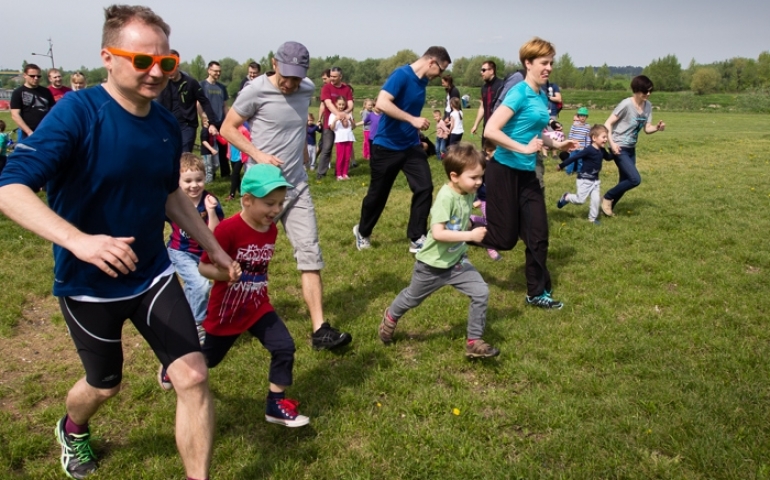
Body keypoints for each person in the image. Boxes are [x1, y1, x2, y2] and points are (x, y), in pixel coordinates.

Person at [0, 5, 241, 480]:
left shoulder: (166, 125)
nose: (156, 72)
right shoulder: (77, 113)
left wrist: (210, 243)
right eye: (142, 60)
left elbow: (169, 192)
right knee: (104, 385)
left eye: (166, 63)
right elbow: (10, 188)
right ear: (107, 58)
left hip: (152, 272)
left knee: (192, 375)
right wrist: (80, 241)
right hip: (88, 282)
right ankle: (72, 427)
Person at [220, 41, 352, 351]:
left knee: (310, 252)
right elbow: (228, 128)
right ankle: (222, 320)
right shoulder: (255, 90)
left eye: (297, 77)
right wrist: (257, 153)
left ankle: (320, 330)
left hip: (296, 187)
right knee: (243, 260)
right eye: (286, 76)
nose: (291, 83)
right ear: (274, 63)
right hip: (262, 189)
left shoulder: (306, 87)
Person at [160, 164, 310, 428]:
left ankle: (275, 404)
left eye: (279, 203)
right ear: (247, 200)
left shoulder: (271, 229)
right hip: (227, 311)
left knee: (284, 346)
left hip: (257, 305)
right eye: (269, 203)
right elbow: (203, 266)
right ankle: (174, 365)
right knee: (207, 362)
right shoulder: (227, 230)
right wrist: (226, 274)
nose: (275, 210)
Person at [480, 37, 577, 310]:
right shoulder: (519, 92)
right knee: (504, 239)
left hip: (526, 175)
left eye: (551, 63)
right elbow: (491, 131)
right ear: (528, 63)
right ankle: (456, 235)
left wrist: (556, 143)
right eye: (543, 63)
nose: (549, 68)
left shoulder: (541, 95)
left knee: (538, 234)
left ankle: (535, 292)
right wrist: (523, 148)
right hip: (503, 171)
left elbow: (536, 132)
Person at [378, 142, 499, 358]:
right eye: (474, 178)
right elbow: (438, 234)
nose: (479, 182)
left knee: (481, 292)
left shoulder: (468, 191)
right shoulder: (446, 197)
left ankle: (474, 341)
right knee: (411, 299)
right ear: (454, 176)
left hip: (457, 262)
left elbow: (464, 217)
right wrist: (470, 236)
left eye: (481, 176)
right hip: (431, 266)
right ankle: (391, 317)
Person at [353, 46, 451, 254]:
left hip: (410, 146)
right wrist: (412, 119)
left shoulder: (423, 82)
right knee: (378, 195)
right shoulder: (401, 75)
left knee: (424, 187)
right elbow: (382, 103)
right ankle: (362, 231)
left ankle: (417, 237)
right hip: (386, 146)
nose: (440, 75)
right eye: (441, 70)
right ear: (431, 62)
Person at [167, 153, 224, 342]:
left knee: (195, 289)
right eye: (188, 181)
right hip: (180, 252)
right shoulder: (173, 202)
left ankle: (182, 318)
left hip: (203, 254)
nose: (194, 185)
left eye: (199, 180)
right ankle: (198, 324)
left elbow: (212, 236)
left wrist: (211, 212)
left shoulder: (210, 201)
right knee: (200, 285)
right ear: (179, 181)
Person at [601, 75, 666, 217]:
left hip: (631, 148)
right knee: (634, 179)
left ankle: (606, 209)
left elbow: (647, 129)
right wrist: (612, 144)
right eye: (645, 91)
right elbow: (608, 123)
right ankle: (607, 197)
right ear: (636, 90)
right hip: (619, 147)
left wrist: (657, 128)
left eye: (650, 91)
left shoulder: (648, 106)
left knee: (624, 181)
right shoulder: (626, 104)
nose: (648, 94)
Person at [157, 49, 219, 153]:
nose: (170, 72)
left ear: (177, 65)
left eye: (172, 67)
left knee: (184, 155)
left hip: (187, 126)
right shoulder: (163, 83)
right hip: (168, 124)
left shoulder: (190, 83)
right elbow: (157, 105)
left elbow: (205, 102)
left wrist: (212, 123)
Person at [556, 124, 614, 224]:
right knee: (580, 200)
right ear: (594, 138)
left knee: (595, 200)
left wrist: (613, 151)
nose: (606, 139)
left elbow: (608, 158)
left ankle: (592, 219)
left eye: (606, 137)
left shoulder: (602, 150)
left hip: (595, 180)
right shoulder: (588, 150)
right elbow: (574, 157)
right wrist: (561, 165)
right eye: (603, 137)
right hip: (584, 179)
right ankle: (567, 197)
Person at [316, 66, 354, 180]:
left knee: (344, 149)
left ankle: (342, 172)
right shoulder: (326, 88)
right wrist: (338, 114)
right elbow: (328, 104)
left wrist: (344, 113)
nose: (331, 78)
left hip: (343, 124)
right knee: (327, 148)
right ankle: (321, 174)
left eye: (334, 76)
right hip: (330, 122)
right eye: (331, 76)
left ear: (340, 76)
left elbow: (351, 104)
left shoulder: (346, 89)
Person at [469, 138, 502, 261]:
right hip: (485, 198)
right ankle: (490, 246)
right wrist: (475, 198)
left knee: (498, 219)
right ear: (487, 151)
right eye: (494, 150)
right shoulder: (483, 165)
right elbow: (476, 182)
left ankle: (473, 218)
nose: (496, 153)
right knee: (490, 223)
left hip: (498, 198)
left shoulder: (501, 163)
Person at [10, 64, 56, 140]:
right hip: (27, 134)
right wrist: (29, 132)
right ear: (25, 75)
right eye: (32, 76)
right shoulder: (18, 92)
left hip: (46, 132)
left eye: (38, 76)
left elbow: (53, 111)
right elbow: (15, 115)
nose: (36, 78)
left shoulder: (46, 91)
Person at [201, 60, 230, 178]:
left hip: (220, 122)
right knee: (207, 148)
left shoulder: (222, 87)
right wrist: (203, 118)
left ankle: (225, 173)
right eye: (215, 71)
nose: (218, 73)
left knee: (223, 147)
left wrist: (228, 121)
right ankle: (209, 174)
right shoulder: (202, 85)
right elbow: (198, 104)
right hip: (208, 122)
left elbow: (224, 105)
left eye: (220, 71)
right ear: (209, 70)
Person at [471, 60, 504, 143]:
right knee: (485, 153)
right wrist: (476, 125)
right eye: (481, 70)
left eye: (483, 70)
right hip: (486, 127)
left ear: (492, 71)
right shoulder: (484, 88)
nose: (481, 72)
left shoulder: (502, 86)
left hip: (499, 128)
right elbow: (482, 107)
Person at [329, 96, 356, 180]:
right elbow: (332, 128)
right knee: (340, 157)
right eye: (339, 104)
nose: (341, 106)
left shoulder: (348, 114)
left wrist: (351, 120)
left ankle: (345, 173)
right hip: (340, 139)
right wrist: (335, 120)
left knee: (347, 157)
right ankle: (339, 174)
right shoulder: (333, 115)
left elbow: (353, 126)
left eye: (343, 104)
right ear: (336, 104)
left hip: (349, 137)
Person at [226, 124, 251, 199]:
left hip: (240, 157)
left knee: (234, 174)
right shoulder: (229, 128)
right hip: (232, 156)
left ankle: (232, 194)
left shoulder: (244, 130)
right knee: (236, 176)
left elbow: (248, 142)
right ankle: (241, 192)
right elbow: (224, 141)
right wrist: (217, 135)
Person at [564, 106, 591, 175]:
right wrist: (570, 144)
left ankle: (580, 172)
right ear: (578, 117)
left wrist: (587, 146)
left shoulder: (588, 126)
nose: (582, 117)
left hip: (582, 148)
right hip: (574, 146)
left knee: (580, 160)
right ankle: (569, 172)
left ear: (586, 117)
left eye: (584, 116)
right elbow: (571, 134)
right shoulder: (574, 125)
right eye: (581, 116)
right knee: (571, 159)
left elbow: (588, 138)